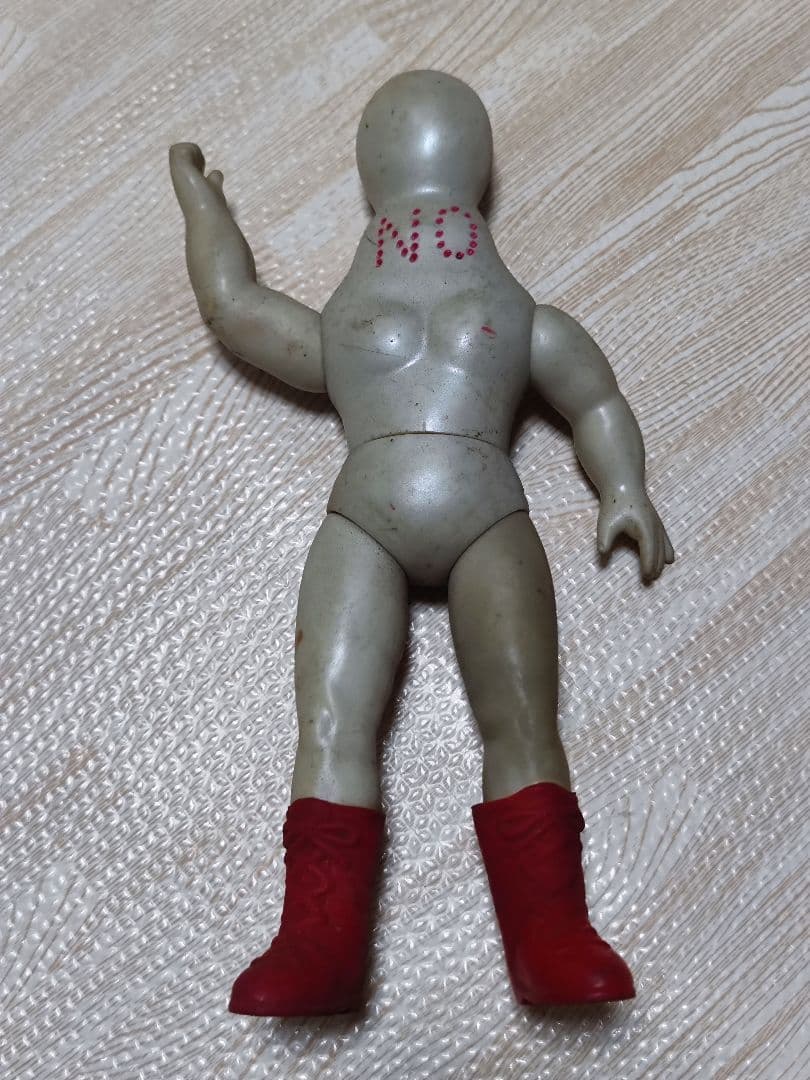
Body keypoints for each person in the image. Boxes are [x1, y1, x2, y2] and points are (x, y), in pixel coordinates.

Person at [170, 69, 673, 1016]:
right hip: (378, 520)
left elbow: (595, 400)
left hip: (477, 517)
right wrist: (202, 203)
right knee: (340, 721)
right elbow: (236, 309)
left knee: (511, 721)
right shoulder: (492, 313)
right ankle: (318, 943)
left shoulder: (490, 314)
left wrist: (626, 487)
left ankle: (550, 934)